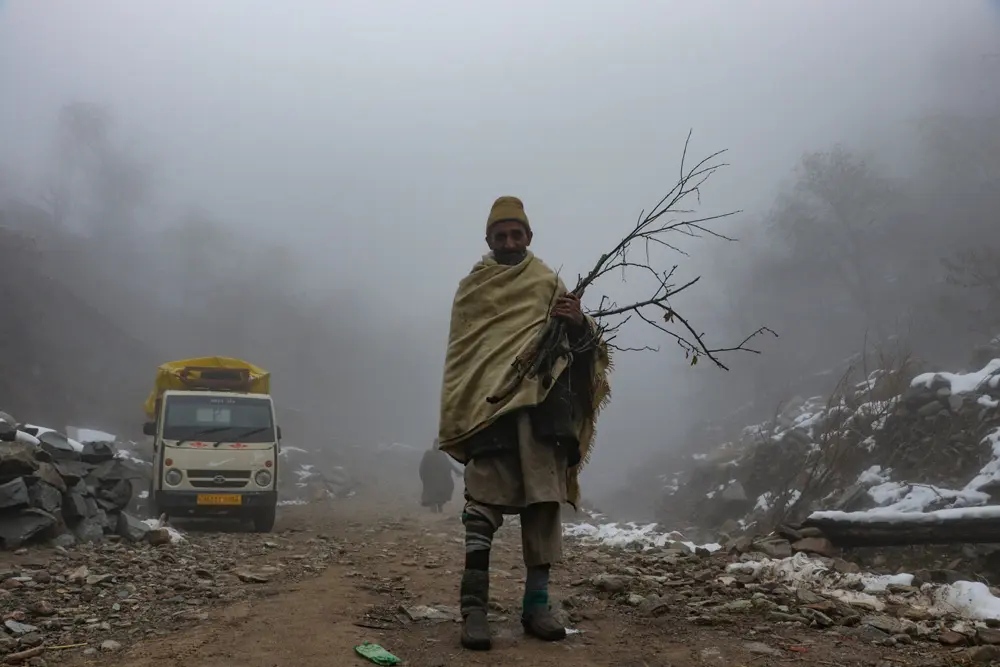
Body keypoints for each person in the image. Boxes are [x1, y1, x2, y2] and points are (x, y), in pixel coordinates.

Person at [437, 196, 611, 651]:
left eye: (517, 234)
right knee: (481, 509)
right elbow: (465, 357)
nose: (510, 242)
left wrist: (577, 327)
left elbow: (583, 352)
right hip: (489, 414)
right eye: (501, 235)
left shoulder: (548, 284)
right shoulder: (472, 289)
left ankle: (537, 607)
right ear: (489, 241)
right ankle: (474, 611)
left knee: (543, 509)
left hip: (541, 417)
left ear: (529, 238)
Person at [419, 439, 461, 513]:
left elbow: (449, 464)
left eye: (439, 444)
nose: (437, 446)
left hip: (441, 480)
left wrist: (457, 471)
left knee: (441, 495)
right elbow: (422, 466)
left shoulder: (442, 454)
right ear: (433, 444)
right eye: (436, 444)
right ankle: (433, 512)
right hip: (430, 479)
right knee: (431, 496)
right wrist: (423, 477)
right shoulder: (428, 454)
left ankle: (440, 508)